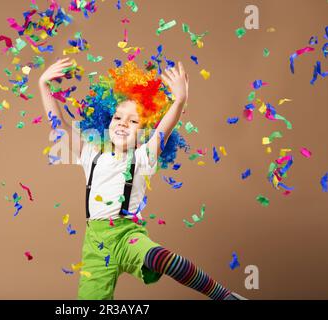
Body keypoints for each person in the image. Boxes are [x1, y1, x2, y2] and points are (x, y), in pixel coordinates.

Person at [38, 58, 246, 300]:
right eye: (118, 117)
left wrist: (179, 100)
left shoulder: (142, 156)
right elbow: (60, 125)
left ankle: (225, 296)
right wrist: (43, 84)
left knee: (159, 258)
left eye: (133, 121)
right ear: (107, 121)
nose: (123, 123)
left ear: (145, 131)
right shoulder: (90, 154)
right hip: (95, 245)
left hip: (128, 235)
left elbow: (164, 129)